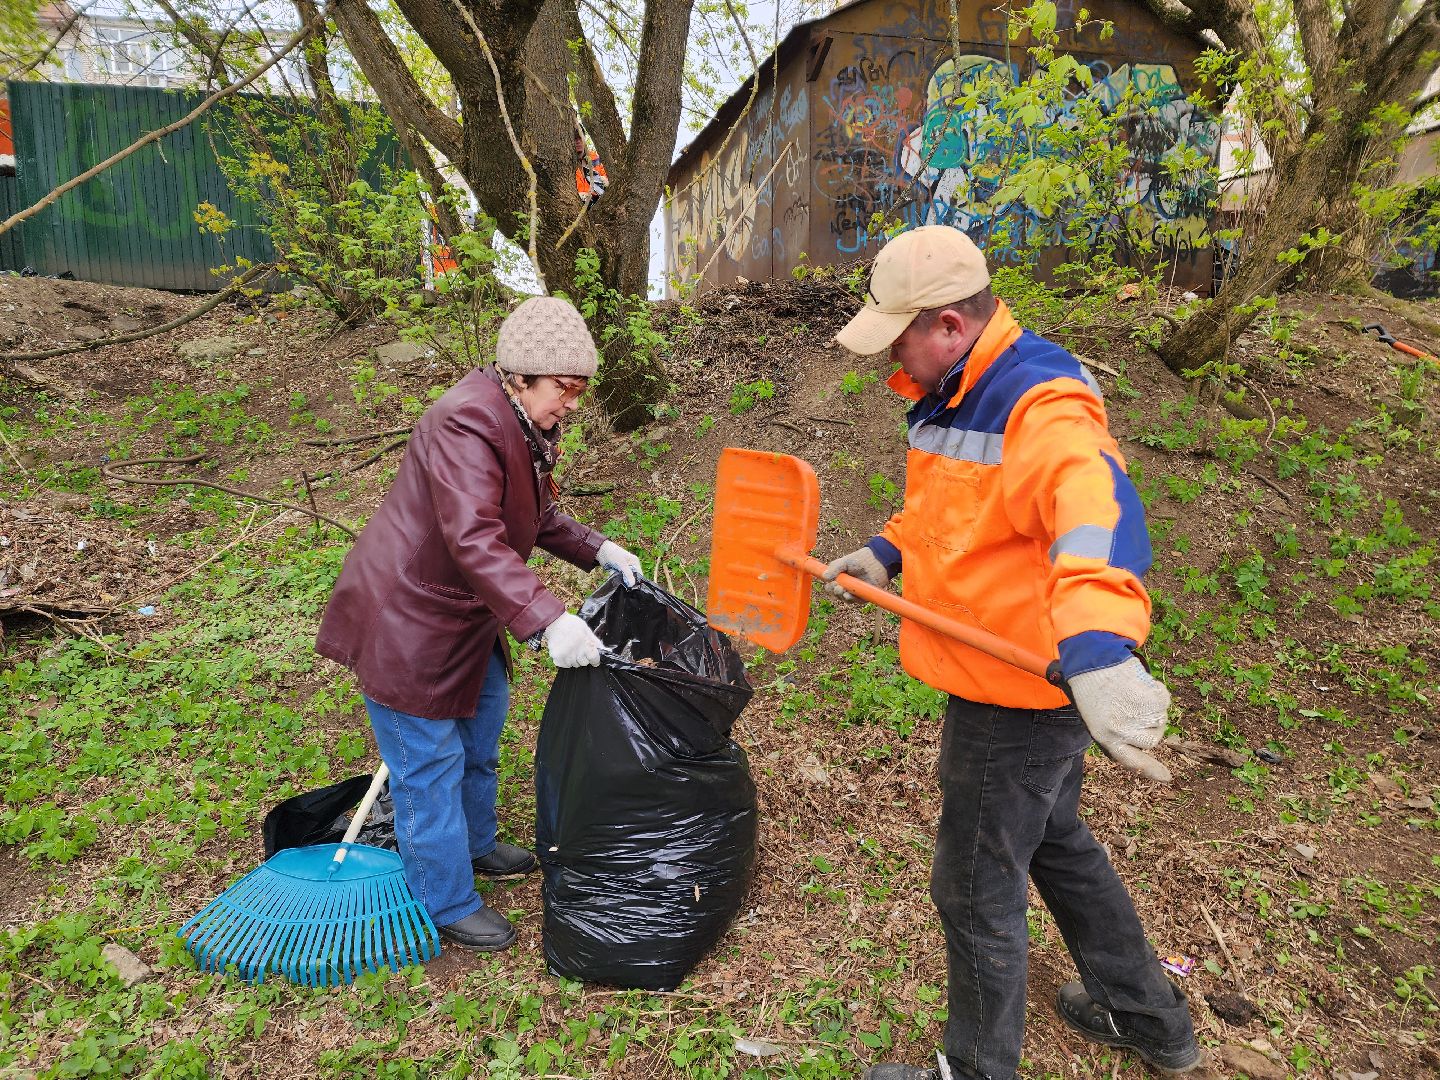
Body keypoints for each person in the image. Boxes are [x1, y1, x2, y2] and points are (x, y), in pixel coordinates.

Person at [825, 226, 1200, 1079]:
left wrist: (1103, 649)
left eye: (901, 336)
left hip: (1015, 693)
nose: (895, 358)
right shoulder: (962, 391)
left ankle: (977, 1069)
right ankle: (1149, 1016)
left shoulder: (1040, 402)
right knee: (1057, 842)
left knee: (971, 889)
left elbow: (1094, 510)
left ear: (950, 326)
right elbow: (956, 514)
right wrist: (888, 551)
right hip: (1014, 685)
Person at [315, 296, 643, 952]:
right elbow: (474, 537)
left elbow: (537, 518)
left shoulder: (523, 425)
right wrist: (549, 620)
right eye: (565, 387)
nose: (574, 402)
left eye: (582, 388)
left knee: (481, 732)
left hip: (464, 617)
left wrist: (599, 547)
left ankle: (474, 841)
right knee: (428, 763)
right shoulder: (466, 421)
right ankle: (444, 899)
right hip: (408, 620)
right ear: (520, 376)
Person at [575, 128, 608, 205]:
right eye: (575, 139)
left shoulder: (594, 157)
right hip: (579, 203)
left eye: (580, 138)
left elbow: (605, 177)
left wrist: (605, 181)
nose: (578, 142)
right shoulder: (566, 161)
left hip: (599, 201)